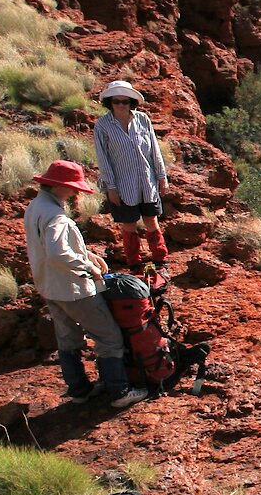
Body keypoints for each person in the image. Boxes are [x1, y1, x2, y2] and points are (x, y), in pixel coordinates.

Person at [24, 160, 146, 409]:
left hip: (49, 286)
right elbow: (58, 253)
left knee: (68, 339)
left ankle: (79, 390)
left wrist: (87, 254)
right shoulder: (56, 216)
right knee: (109, 337)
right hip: (73, 289)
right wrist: (86, 267)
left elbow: (51, 246)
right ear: (59, 186)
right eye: (72, 188)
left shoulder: (36, 206)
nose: (76, 192)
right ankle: (118, 391)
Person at [93, 78, 169, 270]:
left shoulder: (143, 119)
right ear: (109, 103)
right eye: (116, 101)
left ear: (131, 102)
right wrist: (111, 187)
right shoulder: (103, 126)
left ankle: (160, 260)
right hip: (122, 184)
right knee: (129, 224)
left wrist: (161, 177)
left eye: (124, 101)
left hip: (147, 181)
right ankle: (134, 263)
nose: (120, 105)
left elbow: (154, 150)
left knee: (152, 220)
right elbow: (103, 159)